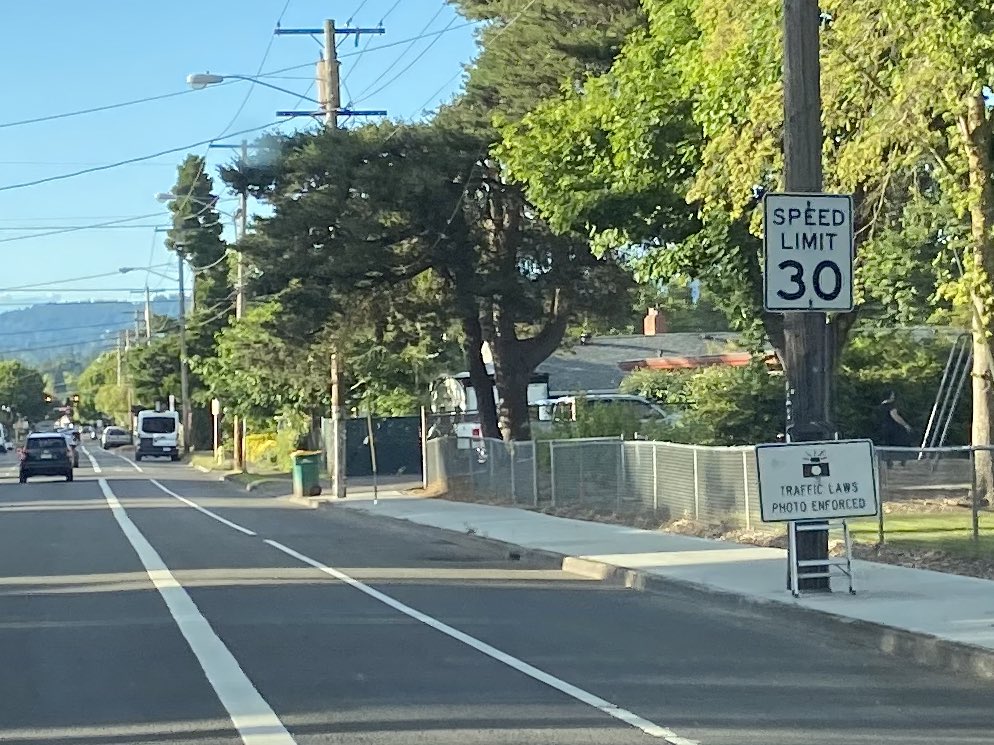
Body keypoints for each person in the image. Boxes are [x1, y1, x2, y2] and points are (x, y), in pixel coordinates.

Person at [876, 391, 913, 466]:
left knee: (887, 445)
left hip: (883, 428)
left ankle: (888, 461)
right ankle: (901, 461)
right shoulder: (890, 406)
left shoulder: (880, 407)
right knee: (901, 443)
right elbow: (895, 416)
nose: (893, 397)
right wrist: (905, 425)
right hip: (893, 429)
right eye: (892, 395)